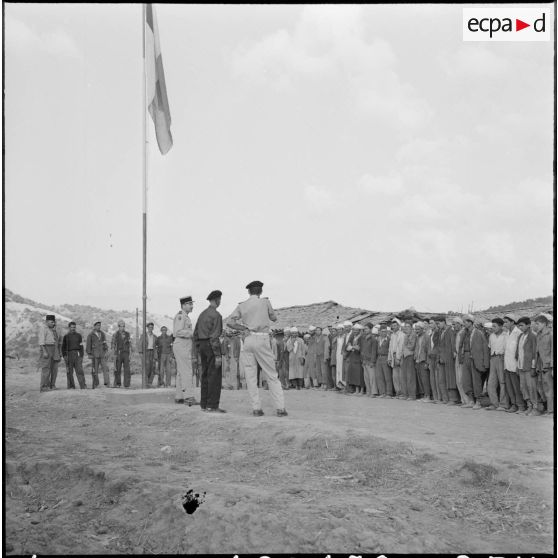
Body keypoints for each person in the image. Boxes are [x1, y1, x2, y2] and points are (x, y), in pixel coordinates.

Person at [227, 280, 287, 416]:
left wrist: (243, 327)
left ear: (249, 291)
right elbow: (274, 318)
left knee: (250, 375)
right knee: (271, 374)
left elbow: (230, 322)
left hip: (248, 339)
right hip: (262, 338)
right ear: (260, 291)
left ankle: (256, 408)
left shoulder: (242, 305)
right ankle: (280, 408)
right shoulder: (265, 302)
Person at [193, 290, 225, 412]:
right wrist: (217, 355)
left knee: (205, 374)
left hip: (202, 345)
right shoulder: (216, 315)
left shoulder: (202, 314)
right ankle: (213, 405)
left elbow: (195, 334)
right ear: (217, 300)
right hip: (212, 346)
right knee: (215, 376)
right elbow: (215, 337)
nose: (220, 302)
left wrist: (198, 349)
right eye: (220, 300)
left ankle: (204, 404)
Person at [458, 314, 489, 410]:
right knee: (466, 380)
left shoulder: (478, 333)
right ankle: (471, 400)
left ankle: (478, 401)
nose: (464, 324)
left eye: (466, 322)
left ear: (471, 322)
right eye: (464, 322)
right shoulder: (463, 333)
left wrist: (485, 363)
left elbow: (484, 348)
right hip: (466, 357)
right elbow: (460, 346)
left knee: (476, 381)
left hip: (475, 358)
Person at [173, 296, 199, 405]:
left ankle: (179, 396)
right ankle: (189, 397)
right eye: (189, 304)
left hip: (183, 345)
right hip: (181, 344)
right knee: (187, 371)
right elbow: (177, 332)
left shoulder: (185, 317)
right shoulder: (181, 316)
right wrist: (192, 333)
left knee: (181, 372)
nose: (191, 306)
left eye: (191, 304)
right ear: (183, 305)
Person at [516, 317, 538, 416]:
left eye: (522, 325)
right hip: (521, 366)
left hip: (529, 366)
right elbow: (519, 352)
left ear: (528, 325)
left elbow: (534, 353)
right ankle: (529, 406)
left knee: (531, 387)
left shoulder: (533, 336)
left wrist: (533, 367)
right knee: (523, 387)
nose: (520, 327)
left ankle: (535, 408)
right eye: (519, 325)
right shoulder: (520, 336)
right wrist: (518, 365)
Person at [486, 317, 509, 411]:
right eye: (492, 326)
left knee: (502, 382)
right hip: (493, 359)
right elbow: (489, 348)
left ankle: (503, 404)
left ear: (500, 326)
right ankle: (494, 403)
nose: (493, 328)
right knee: (491, 383)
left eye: (495, 326)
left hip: (502, 358)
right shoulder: (491, 336)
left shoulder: (506, 335)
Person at [503, 315, 524, 413]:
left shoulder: (518, 333)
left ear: (512, 322)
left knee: (516, 387)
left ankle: (521, 406)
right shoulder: (506, 333)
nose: (505, 324)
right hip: (507, 364)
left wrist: (518, 365)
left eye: (506, 322)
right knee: (509, 387)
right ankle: (514, 405)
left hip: (515, 365)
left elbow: (519, 351)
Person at [534, 314, 553, 416]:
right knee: (541, 388)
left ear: (544, 323)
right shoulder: (539, 335)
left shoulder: (551, 334)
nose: (536, 326)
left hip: (548, 366)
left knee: (549, 389)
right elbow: (537, 352)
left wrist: (552, 367)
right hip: (540, 366)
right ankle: (546, 408)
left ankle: (551, 411)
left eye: (538, 324)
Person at [39, 314, 62, 392]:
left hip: (54, 349)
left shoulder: (54, 330)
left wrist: (58, 352)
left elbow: (58, 341)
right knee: (46, 368)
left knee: (54, 368)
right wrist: (44, 352)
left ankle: (52, 385)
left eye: (54, 322)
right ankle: (43, 387)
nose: (53, 324)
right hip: (47, 348)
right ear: (47, 322)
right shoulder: (43, 328)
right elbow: (41, 342)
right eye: (52, 322)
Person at [438, 316, 458, 405]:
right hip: (442, 358)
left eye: (439, 323)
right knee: (442, 379)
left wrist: (453, 354)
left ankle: (453, 399)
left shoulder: (450, 331)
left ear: (444, 322)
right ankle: (445, 398)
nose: (438, 325)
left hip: (449, 358)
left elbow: (453, 344)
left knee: (450, 379)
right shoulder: (442, 332)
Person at [62, 321, 86, 389]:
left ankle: (83, 385)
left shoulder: (79, 335)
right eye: (72, 327)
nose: (73, 328)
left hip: (77, 354)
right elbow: (63, 347)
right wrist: (64, 356)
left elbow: (81, 346)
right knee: (69, 371)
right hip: (69, 354)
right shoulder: (66, 336)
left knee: (79, 370)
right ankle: (71, 386)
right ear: (69, 328)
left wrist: (81, 355)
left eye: (74, 327)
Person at [86, 321, 108, 389]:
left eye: (100, 325)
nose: (99, 327)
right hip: (94, 354)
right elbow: (88, 345)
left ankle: (107, 383)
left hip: (102, 354)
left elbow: (105, 343)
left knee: (105, 368)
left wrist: (106, 350)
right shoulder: (91, 334)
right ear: (94, 326)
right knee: (95, 370)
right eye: (97, 325)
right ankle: (95, 384)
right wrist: (89, 353)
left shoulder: (103, 334)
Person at [111, 319, 132, 388]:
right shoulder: (115, 334)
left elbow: (130, 345)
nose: (122, 327)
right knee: (117, 369)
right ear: (118, 326)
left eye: (123, 326)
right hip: (118, 353)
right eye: (121, 326)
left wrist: (130, 354)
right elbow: (113, 345)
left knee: (127, 369)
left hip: (126, 353)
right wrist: (114, 354)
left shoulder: (127, 334)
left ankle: (126, 384)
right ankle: (117, 383)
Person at [452, 317, 469, 406]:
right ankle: (463, 400)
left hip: (461, 358)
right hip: (458, 358)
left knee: (462, 379)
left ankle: (467, 400)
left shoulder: (463, 333)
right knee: (458, 380)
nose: (453, 326)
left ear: (459, 324)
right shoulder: (458, 333)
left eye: (455, 324)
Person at [414, 322, 430, 402]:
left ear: (422, 329)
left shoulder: (426, 337)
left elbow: (428, 350)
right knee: (420, 379)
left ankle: (428, 396)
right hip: (418, 360)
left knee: (425, 379)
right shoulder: (417, 337)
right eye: (416, 329)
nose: (416, 331)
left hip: (424, 360)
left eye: (418, 329)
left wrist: (427, 362)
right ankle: (424, 395)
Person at [388, 318, 404, 398]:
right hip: (393, 356)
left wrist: (398, 358)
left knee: (401, 376)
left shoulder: (402, 335)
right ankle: (398, 392)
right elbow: (390, 348)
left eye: (395, 325)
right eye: (392, 326)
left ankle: (402, 393)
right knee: (395, 377)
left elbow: (401, 347)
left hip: (399, 357)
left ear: (398, 326)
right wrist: (389, 358)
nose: (393, 327)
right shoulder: (392, 335)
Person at [401, 322, 417, 400]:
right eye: (405, 327)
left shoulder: (413, 335)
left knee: (410, 376)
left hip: (410, 356)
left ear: (411, 327)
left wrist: (405, 347)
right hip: (405, 356)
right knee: (404, 376)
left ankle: (412, 395)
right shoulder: (406, 335)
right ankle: (405, 394)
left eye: (408, 326)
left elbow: (411, 346)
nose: (406, 328)